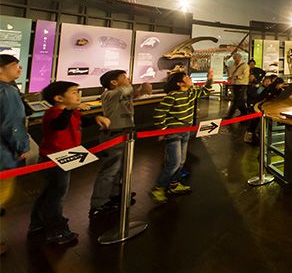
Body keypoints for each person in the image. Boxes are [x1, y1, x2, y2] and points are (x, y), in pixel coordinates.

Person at [29, 81, 110, 245]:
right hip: (54, 160)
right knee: (56, 195)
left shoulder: (71, 112)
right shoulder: (53, 113)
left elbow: (81, 121)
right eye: (73, 92)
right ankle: (56, 230)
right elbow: (60, 124)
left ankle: (38, 222)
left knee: (50, 192)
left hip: (65, 157)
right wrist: (70, 109)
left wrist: (96, 118)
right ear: (59, 98)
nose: (78, 95)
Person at [88, 70, 152, 219]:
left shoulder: (121, 93)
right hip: (114, 134)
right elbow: (127, 90)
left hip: (126, 132)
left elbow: (131, 94)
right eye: (124, 77)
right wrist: (139, 87)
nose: (128, 78)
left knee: (122, 167)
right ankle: (98, 204)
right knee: (110, 169)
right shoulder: (109, 94)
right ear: (113, 82)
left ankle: (116, 194)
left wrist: (143, 90)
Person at [150, 69, 214, 204]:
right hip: (173, 133)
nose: (189, 78)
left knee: (181, 161)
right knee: (173, 162)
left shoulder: (190, 93)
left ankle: (174, 185)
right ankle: (158, 188)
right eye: (186, 77)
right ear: (179, 83)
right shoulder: (172, 96)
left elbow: (205, 91)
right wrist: (162, 130)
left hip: (186, 131)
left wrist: (209, 79)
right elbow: (159, 112)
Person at [0, 55, 30, 255]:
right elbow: (13, 125)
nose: (19, 69)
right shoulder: (7, 92)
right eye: (14, 65)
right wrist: (21, 148)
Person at [224, 53, 249, 119]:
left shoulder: (245, 66)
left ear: (240, 58)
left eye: (237, 58)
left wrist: (237, 77)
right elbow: (230, 74)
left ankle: (230, 114)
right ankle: (245, 113)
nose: (236, 59)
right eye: (234, 58)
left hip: (242, 84)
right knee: (240, 100)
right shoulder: (232, 66)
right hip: (235, 84)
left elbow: (245, 75)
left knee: (236, 100)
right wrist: (230, 77)